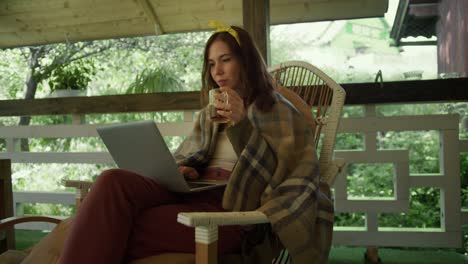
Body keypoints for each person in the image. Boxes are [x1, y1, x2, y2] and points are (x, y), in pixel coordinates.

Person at [57, 21, 333, 264]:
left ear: (246, 61)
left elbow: (281, 176)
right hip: (192, 190)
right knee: (112, 180)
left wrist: (243, 125)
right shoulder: (209, 115)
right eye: (212, 64)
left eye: (225, 60)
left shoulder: (278, 111)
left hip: (229, 206)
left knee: (111, 226)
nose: (217, 71)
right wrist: (186, 168)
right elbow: (191, 154)